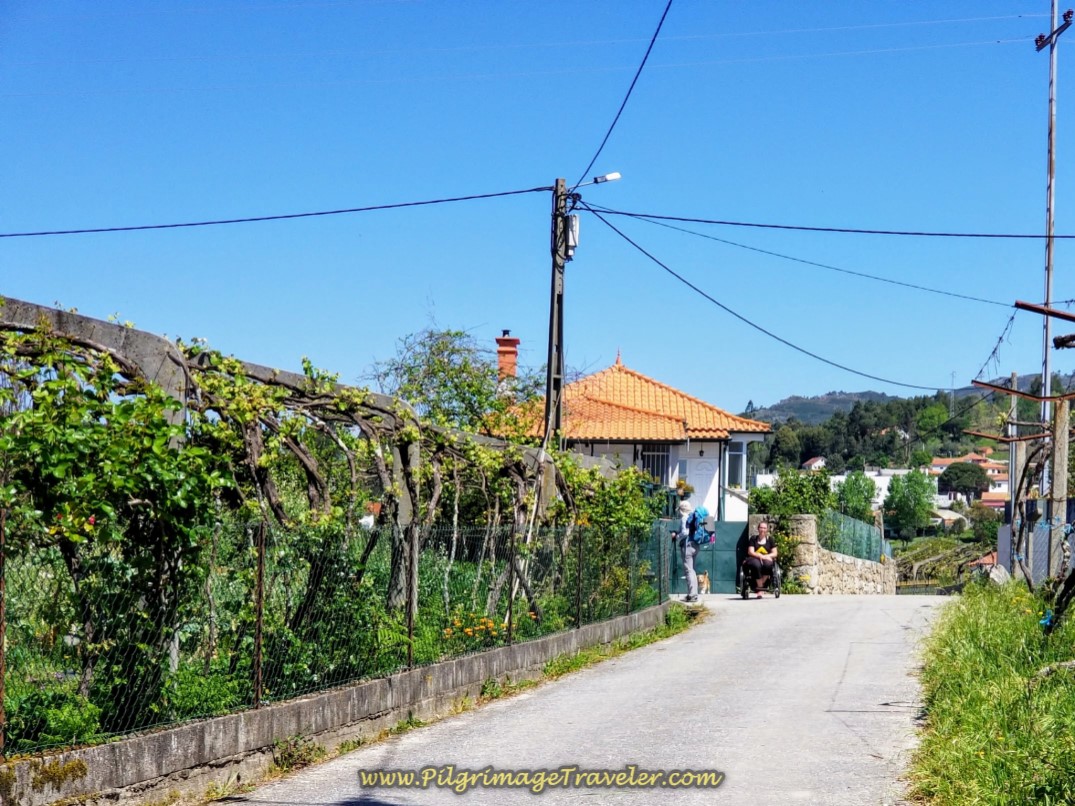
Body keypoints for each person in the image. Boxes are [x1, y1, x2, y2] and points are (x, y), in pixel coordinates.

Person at [672, 500, 699, 602]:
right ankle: (694, 594)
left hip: (688, 545)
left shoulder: (684, 518)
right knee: (692, 570)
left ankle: (692, 595)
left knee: (688, 570)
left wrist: (676, 536)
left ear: (681, 510)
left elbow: (685, 533)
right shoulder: (693, 517)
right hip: (696, 545)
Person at [744, 521, 778, 599]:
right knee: (756, 565)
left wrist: (766, 556)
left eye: (764, 528)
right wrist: (759, 556)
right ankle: (760, 588)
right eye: (761, 527)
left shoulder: (770, 540)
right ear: (758, 529)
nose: (762, 529)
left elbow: (775, 553)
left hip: (766, 558)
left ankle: (760, 587)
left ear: (767, 530)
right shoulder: (753, 538)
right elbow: (750, 552)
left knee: (768, 564)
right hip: (754, 558)